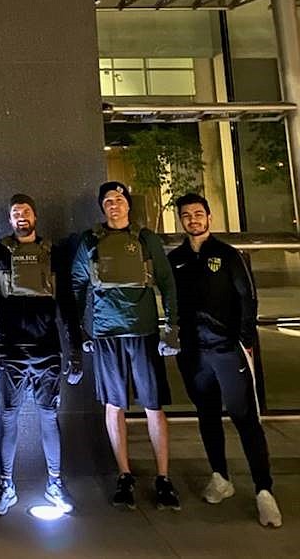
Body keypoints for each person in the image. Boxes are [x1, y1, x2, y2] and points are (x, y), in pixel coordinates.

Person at [169, 193, 282, 528]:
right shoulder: (176, 258)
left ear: (209, 217)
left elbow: (247, 298)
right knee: (207, 416)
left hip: (227, 349)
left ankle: (264, 490)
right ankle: (220, 476)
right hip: (193, 353)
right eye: (186, 215)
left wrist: (245, 340)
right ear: (181, 220)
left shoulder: (228, 255)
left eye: (198, 214)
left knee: (245, 417)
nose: (193, 219)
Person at [71, 181, 181, 511]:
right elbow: (77, 283)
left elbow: (166, 282)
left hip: (144, 332)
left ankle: (163, 477)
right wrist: (80, 330)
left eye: (118, 199)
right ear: (102, 207)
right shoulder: (90, 241)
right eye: (107, 201)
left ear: (128, 205)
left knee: (153, 406)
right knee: (113, 406)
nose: (113, 205)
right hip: (106, 335)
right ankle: (124, 475)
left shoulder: (146, 239)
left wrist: (172, 327)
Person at [0, 194, 83, 516]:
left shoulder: (54, 256)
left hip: (47, 351)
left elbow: (67, 305)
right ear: (9, 220)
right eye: (15, 213)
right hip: (9, 351)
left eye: (26, 211)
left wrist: (75, 350)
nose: (21, 217)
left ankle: (55, 483)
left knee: (48, 417)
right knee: (8, 417)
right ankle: (6, 485)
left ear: (35, 216)